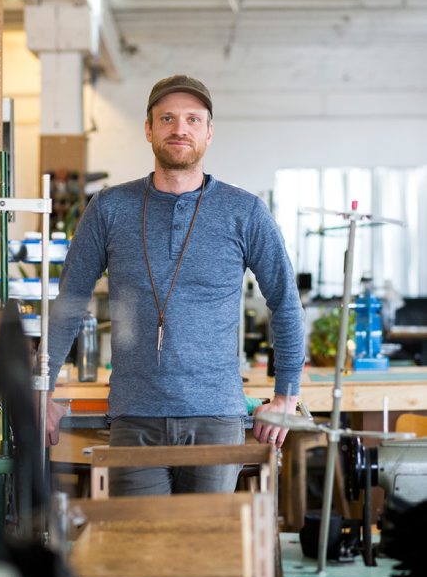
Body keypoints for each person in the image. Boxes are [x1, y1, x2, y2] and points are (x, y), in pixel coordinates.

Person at [47, 74, 305, 468]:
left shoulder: (245, 211)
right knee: (138, 532)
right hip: (134, 417)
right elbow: (70, 301)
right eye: (167, 118)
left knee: (208, 531)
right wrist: (40, 388)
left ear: (209, 131)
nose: (179, 129)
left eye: (192, 119)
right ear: (148, 129)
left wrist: (286, 393)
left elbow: (286, 303)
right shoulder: (109, 208)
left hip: (217, 417)